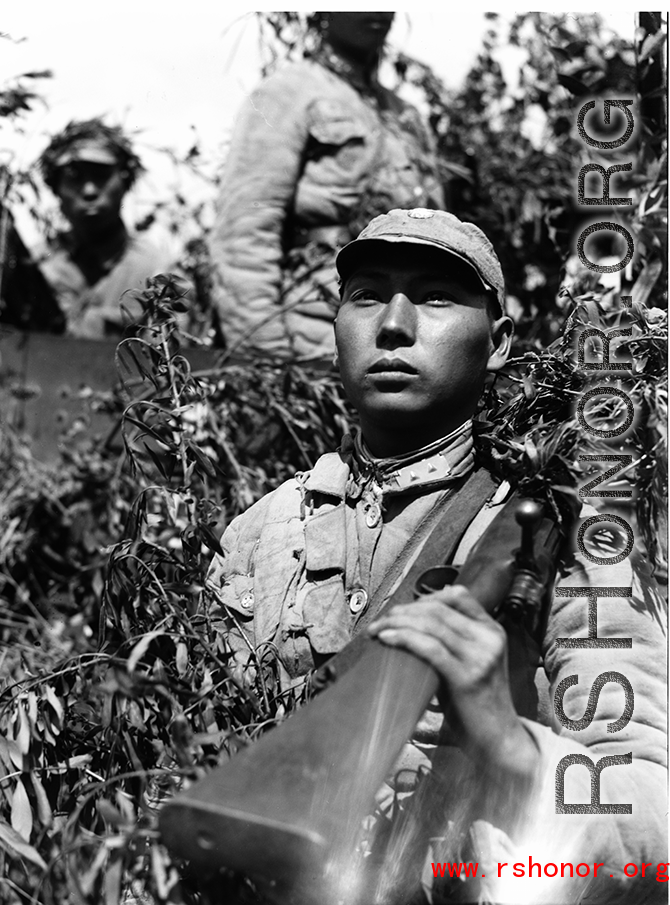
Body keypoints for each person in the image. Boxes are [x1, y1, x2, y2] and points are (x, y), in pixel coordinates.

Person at [207, 208, 667, 903]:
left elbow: (654, 824)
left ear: (499, 342)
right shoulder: (263, 530)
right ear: (336, 329)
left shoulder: (563, 531)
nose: (394, 325)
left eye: (435, 297)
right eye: (367, 296)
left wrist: (507, 738)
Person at [209, 12, 444, 359]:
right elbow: (244, 233)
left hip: (406, 340)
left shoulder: (406, 117)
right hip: (313, 337)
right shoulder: (286, 93)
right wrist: (266, 354)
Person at [35, 119, 189, 339]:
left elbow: (172, 351)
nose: (89, 190)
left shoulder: (157, 271)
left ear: (125, 182)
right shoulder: (35, 267)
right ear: (55, 187)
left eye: (101, 176)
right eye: (74, 177)